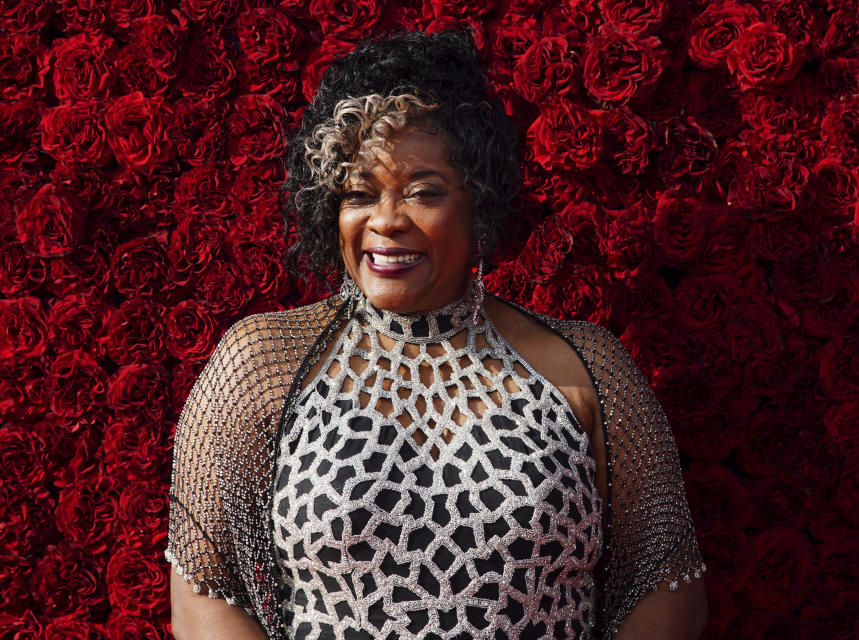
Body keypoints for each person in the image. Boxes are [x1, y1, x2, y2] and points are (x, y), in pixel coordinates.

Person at [166, 29, 707, 640]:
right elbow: (202, 592)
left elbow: (667, 586)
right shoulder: (263, 363)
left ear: (477, 204)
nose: (386, 220)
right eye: (359, 194)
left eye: (423, 192)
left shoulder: (586, 368)